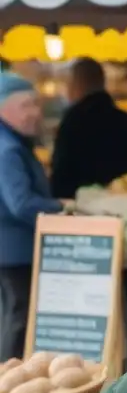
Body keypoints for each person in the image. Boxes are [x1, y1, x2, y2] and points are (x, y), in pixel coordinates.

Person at [0, 74, 63, 360]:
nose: (35, 113)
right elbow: (21, 203)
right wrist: (60, 208)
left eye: (36, 104)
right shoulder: (8, 149)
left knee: (13, 314)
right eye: (26, 106)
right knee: (20, 318)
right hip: (16, 252)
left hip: (13, 250)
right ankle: (8, 386)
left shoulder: (13, 143)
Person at [50, 57, 127, 199]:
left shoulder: (74, 121)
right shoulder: (125, 120)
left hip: (80, 204)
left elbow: (62, 170)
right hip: (124, 204)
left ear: (77, 84)